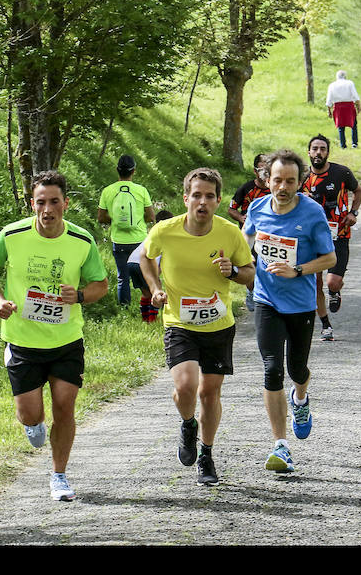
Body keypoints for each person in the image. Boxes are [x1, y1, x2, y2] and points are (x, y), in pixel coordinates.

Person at [0, 170, 108, 501]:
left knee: (65, 407)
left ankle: (59, 475)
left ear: (65, 203)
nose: (47, 209)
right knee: (31, 415)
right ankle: (31, 423)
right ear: (31, 204)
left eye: (54, 202)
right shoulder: (13, 234)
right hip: (22, 341)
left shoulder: (81, 241)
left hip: (66, 341)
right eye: (40, 203)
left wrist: (77, 296)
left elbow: (100, 285)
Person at [139, 168, 254, 487]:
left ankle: (206, 453)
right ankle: (188, 425)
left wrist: (232, 272)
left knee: (209, 392)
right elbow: (146, 259)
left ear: (218, 200)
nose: (202, 202)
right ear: (185, 197)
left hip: (218, 325)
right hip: (180, 322)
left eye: (210, 196)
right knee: (187, 387)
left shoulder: (230, 233)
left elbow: (250, 274)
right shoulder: (165, 230)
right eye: (197, 195)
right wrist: (155, 287)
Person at [243, 150, 336, 473]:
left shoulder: (312, 213)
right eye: (277, 180)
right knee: (271, 369)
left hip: (300, 304)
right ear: (266, 179)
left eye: (291, 181)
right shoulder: (256, 208)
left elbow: (329, 259)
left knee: (297, 369)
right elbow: (246, 245)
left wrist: (297, 269)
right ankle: (281, 446)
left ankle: (300, 400)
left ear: (300, 182)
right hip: (266, 300)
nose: (283, 186)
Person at [301, 134, 361, 341]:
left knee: (333, 282)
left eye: (322, 149)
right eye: (315, 149)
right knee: (315, 283)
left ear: (327, 152)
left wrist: (353, 213)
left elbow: (358, 190)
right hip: (311, 238)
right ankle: (325, 325)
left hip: (340, 234)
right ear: (309, 152)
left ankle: (335, 292)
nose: (318, 152)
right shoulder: (302, 179)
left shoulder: (341, 172)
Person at [97, 155, 154, 308]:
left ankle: (125, 308)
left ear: (117, 171)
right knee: (146, 276)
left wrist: (115, 219)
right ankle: (150, 308)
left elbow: (101, 217)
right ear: (133, 171)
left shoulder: (107, 191)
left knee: (123, 278)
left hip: (119, 241)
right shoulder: (141, 191)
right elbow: (150, 216)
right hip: (139, 241)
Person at [226, 153, 271, 312]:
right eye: (262, 166)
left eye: (268, 165)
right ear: (255, 170)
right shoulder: (246, 188)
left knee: (266, 269)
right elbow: (231, 209)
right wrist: (241, 217)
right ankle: (251, 291)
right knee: (249, 266)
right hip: (248, 235)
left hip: (268, 236)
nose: (265, 169)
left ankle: (266, 297)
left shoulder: (274, 188)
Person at [126, 210, 174, 322]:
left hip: (131, 262)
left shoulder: (153, 233)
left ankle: (145, 318)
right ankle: (152, 319)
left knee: (146, 293)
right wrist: (156, 278)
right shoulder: (167, 237)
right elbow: (162, 261)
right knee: (155, 292)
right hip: (143, 264)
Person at [325, 70, 361, 149]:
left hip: (338, 107)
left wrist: (329, 110)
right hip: (349, 106)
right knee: (353, 125)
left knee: (341, 127)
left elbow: (329, 99)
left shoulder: (332, 85)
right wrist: (358, 107)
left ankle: (343, 145)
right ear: (345, 76)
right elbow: (355, 96)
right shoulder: (350, 83)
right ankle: (354, 143)